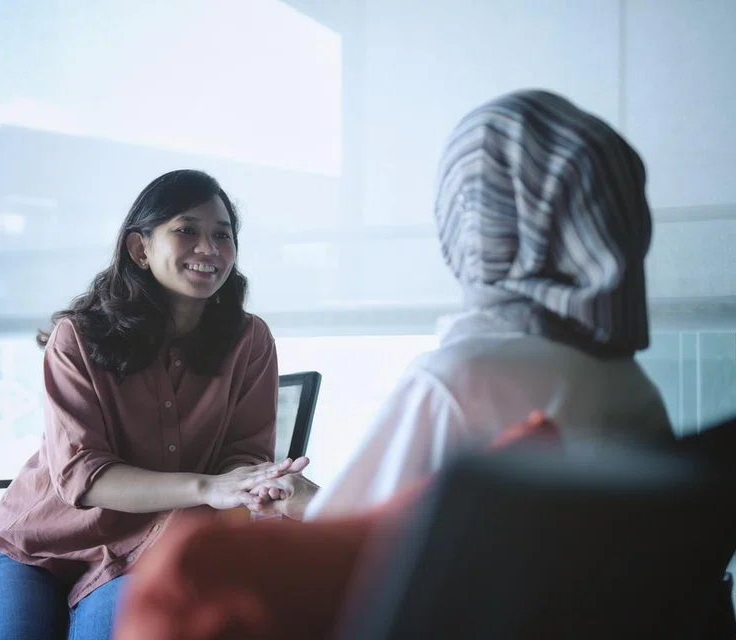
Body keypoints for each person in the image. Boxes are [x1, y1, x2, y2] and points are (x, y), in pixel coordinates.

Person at [249, 89, 672, 522]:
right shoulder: (634, 387)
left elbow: (345, 545)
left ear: (477, 219)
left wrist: (309, 508)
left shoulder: (459, 379)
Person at [0, 169, 307, 640]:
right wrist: (207, 487)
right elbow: (83, 474)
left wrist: (255, 484)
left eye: (223, 236)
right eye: (187, 231)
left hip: (154, 553)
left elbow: (241, 458)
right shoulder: (76, 337)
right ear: (140, 249)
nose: (210, 249)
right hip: (36, 547)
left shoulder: (249, 340)